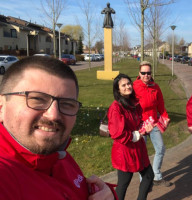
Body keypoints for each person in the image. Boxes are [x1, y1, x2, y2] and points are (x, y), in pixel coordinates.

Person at [0, 56, 116, 200]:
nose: (53, 115)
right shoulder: (4, 177)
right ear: (1, 107)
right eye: (37, 99)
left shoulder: (58, 155)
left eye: (67, 104)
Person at [108, 73, 154, 200]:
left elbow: (138, 122)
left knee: (149, 175)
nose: (127, 87)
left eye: (129, 84)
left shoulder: (133, 102)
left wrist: (145, 126)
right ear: (118, 89)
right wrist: (139, 133)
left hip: (138, 148)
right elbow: (117, 133)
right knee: (123, 184)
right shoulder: (116, 108)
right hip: (125, 151)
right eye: (123, 85)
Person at [133, 61, 171, 187]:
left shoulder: (155, 86)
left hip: (153, 123)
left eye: (148, 73)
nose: (146, 75)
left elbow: (160, 105)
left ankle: (156, 176)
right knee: (142, 153)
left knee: (160, 148)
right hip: (140, 125)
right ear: (139, 73)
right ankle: (143, 180)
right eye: (143, 73)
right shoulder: (134, 87)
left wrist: (165, 117)